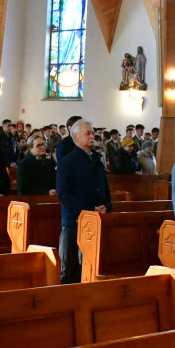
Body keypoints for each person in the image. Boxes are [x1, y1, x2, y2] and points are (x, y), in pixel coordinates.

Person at [57, 120, 110, 284]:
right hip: (74, 220)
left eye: (92, 133)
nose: (92, 136)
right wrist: (87, 210)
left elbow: (105, 188)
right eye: (88, 133)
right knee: (69, 265)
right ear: (75, 137)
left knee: (90, 265)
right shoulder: (68, 162)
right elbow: (64, 194)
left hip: (96, 219)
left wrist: (106, 206)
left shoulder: (96, 160)